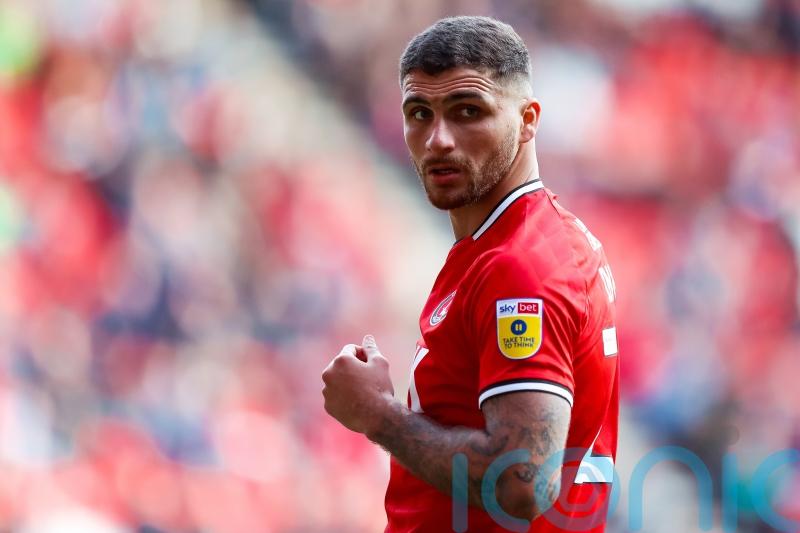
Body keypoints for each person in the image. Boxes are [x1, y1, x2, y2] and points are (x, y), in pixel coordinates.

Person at [322, 16, 619, 533]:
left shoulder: (521, 267)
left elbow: (521, 481)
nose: (438, 139)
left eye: (467, 112)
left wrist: (376, 415)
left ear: (528, 120)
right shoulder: (517, 241)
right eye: (420, 113)